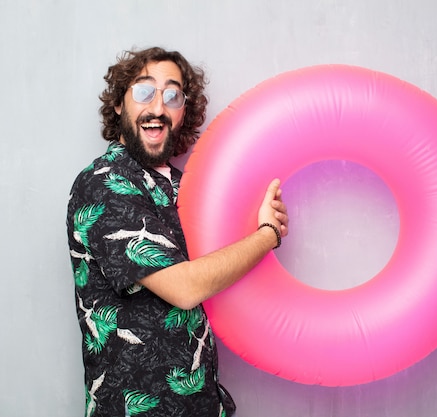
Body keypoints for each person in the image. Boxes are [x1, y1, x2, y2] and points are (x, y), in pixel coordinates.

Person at [67, 46, 289, 417]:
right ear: (120, 105)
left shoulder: (184, 189)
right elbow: (185, 288)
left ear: (183, 111)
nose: (157, 107)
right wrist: (267, 235)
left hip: (199, 402)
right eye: (143, 91)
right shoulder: (102, 184)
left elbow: (217, 274)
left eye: (172, 95)